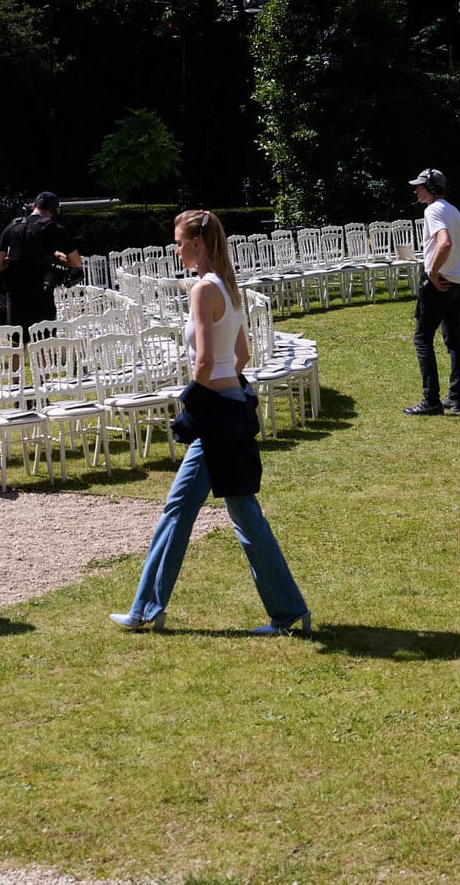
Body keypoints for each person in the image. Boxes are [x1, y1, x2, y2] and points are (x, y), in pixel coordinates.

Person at [113, 210, 311, 635]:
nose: (176, 248)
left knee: (183, 511)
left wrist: (192, 405)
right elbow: (239, 356)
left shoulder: (204, 289)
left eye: (180, 241)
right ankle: (288, 610)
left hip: (218, 412)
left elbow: (204, 361)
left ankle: (147, 608)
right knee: (230, 513)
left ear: (198, 244)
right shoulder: (228, 285)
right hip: (231, 405)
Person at [405, 168, 460, 415]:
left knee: (422, 338)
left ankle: (430, 399)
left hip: (439, 282)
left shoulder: (432, 210)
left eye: (420, 186)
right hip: (455, 282)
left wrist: (432, 273)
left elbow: (446, 243)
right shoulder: (454, 211)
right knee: (453, 339)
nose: (416, 190)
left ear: (431, 189)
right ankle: (454, 398)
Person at [0, 192, 83, 333]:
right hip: (41, 292)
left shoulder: (12, 226)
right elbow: (76, 262)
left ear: (33, 206)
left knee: (18, 341)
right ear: (53, 211)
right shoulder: (55, 229)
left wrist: (10, 260)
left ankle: (17, 355)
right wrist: (57, 256)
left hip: (16, 293)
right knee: (44, 341)